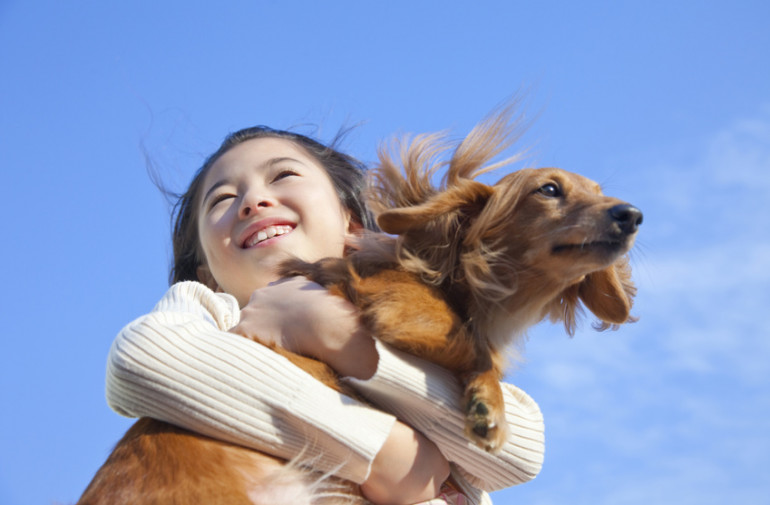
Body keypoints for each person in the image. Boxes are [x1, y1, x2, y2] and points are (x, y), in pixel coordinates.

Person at [106, 126, 545, 505]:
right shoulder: (212, 313)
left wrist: (335, 335)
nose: (253, 200)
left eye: (283, 175)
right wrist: (382, 452)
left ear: (351, 222)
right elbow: (143, 357)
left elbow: (520, 449)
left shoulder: (412, 325)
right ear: (208, 273)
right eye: (222, 199)